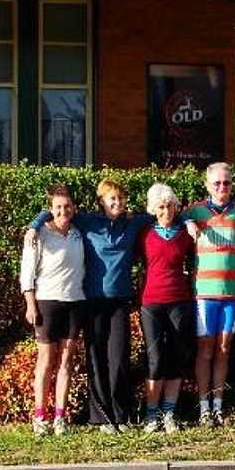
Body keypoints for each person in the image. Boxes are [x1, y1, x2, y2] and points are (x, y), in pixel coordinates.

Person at [27, 179, 153, 434]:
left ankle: (120, 415)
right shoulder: (88, 222)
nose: (117, 203)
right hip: (91, 301)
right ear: (102, 202)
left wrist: (189, 222)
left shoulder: (133, 223)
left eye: (120, 198)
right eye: (111, 199)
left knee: (118, 358)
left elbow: (164, 212)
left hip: (119, 301)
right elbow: (57, 211)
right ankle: (101, 418)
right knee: (96, 359)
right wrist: (34, 225)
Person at [183, 162, 235, 428]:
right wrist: (188, 221)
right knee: (205, 349)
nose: (222, 187)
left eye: (227, 183)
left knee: (224, 348)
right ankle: (203, 408)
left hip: (231, 294)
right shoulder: (196, 211)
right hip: (204, 294)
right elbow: (173, 218)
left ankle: (218, 406)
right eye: (217, 183)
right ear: (207, 185)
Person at [20, 184, 86, 436]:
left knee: (67, 361)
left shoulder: (79, 233)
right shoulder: (38, 234)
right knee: (46, 361)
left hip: (75, 302)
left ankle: (60, 417)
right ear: (50, 209)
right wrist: (30, 304)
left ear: (74, 208)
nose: (63, 211)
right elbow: (27, 271)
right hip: (47, 302)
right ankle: (40, 417)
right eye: (58, 207)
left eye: (67, 206)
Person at [137, 183, 196, 434]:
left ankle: (169, 413)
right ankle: (151, 414)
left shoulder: (185, 233)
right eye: (161, 207)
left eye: (170, 205)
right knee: (156, 358)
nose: (166, 211)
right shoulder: (144, 233)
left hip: (179, 301)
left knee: (176, 358)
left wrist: (188, 220)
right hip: (151, 302)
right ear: (154, 208)